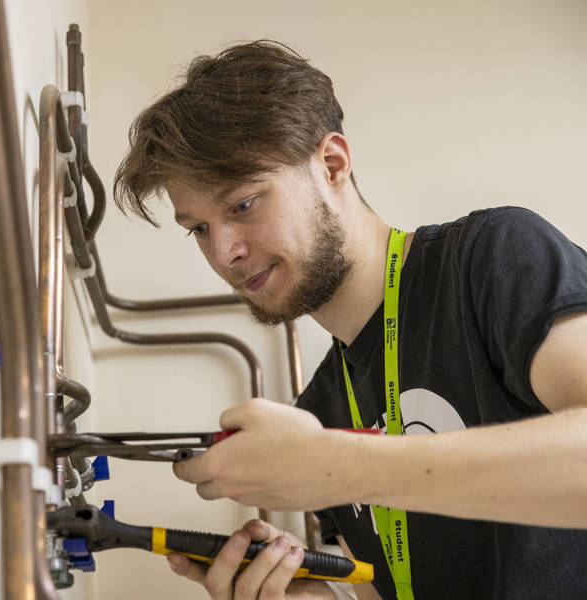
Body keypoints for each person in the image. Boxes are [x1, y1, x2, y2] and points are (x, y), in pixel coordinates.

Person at [113, 41, 587, 600]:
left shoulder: (492, 258)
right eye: (198, 228)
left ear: (332, 164)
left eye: (242, 204)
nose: (223, 254)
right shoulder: (319, 411)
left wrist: (338, 465)